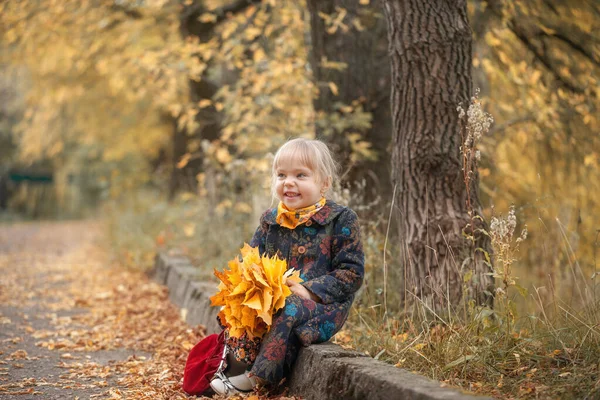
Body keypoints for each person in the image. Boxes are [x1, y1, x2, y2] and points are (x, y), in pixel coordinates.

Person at [210, 137, 365, 396]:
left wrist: (309, 290)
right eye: (281, 175)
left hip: (323, 306)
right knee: (241, 303)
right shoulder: (271, 221)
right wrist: (249, 288)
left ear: (324, 183)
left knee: (289, 306)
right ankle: (231, 364)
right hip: (276, 298)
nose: (288, 182)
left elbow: (351, 273)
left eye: (301, 175)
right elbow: (253, 263)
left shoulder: (340, 219)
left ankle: (257, 379)